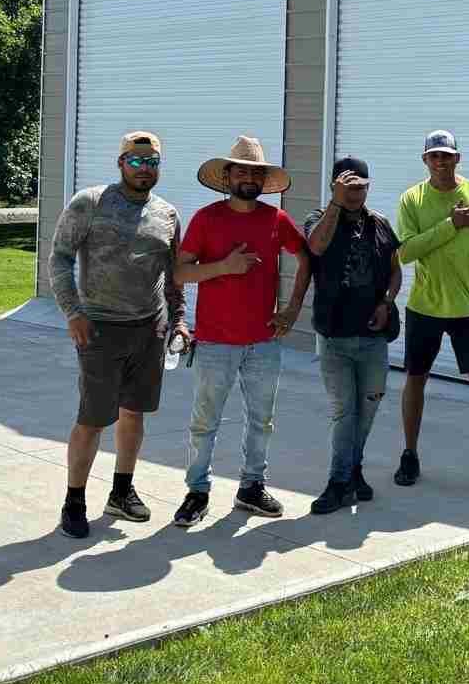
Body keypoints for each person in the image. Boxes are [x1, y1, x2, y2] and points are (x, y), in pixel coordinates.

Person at [48, 131, 187, 539]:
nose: (145, 170)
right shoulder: (90, 202)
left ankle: (121, 492)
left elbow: (173, 275)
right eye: (137, 161)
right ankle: (74, 502)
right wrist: (73, 313)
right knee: (92, 418)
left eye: (152, 163)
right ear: (121, 162)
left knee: (134, 413)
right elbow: (59, 257)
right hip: (99, 329)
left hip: (149, 329)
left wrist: (178, 319)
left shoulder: (167, 213)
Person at [172, 135, 311, 526]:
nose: (248, 176)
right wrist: (223, 267)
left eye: (256, 171)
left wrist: (293, 309)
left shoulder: (276, 220)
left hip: (263, 343)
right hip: (215, 342)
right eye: (242, 170)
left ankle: (251, 487)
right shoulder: (206, 218)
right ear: (227, 176)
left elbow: (305, 258)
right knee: (205, 424)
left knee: (261, 421)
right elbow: (179, 273)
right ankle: (197, 492)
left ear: (262, 180)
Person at [393, 130, 469, 495]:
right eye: (434, 156)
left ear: (458, 159)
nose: (441, 162)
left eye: (447, 156)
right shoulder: (412, 199)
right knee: (415, 378)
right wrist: (451, 225)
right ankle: (409, 455)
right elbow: (406, 252)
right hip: (424, 306)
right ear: (425, 160)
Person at [303, 156, 402, 515]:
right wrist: (336, 201)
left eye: (361, 186)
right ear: (334, 186)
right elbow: (316, 247)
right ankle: (337, 482)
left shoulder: (380, 224)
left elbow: (395, 271)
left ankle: (352, 471)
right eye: (348, 186)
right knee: (345, 412)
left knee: (368, 410)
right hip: (335, 338)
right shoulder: (319, 219)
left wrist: (387, 302)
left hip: (374, 339)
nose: (356, 193)